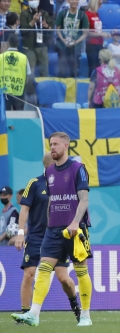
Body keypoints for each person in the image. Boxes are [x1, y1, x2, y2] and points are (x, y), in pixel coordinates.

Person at [12, 132, 93, 327]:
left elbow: (84, 199)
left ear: (66, 146)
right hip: (53, 230)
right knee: (43, 269)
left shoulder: (78, 168)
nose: (52, 148)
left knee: (81, 271)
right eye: (51, 144)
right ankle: (34, 313)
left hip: (76, 229)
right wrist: (50, 223)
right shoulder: (49, 172)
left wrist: (75, 222)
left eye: (56, 144)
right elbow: (51, 202)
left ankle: (85, 315)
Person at [14, 154, 80, 321]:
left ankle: (76, 308)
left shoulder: (66, 183)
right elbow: (24, 209)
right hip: (36, 238)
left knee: (64, 279)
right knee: (29, 274)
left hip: (58, 236)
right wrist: (21, 233)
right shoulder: (35, 183)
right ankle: (25, 314)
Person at [20, 0, 52, 80]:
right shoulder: (24, 14)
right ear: (28, 1)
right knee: (30, 73)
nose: (33, 1)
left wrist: (47, 26)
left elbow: (51, 29)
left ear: (39, 0)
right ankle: (29, 92)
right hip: (29, 46)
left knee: (44, 72)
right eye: (31, 0)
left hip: (42, 45)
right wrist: (33, 21)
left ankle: (44, 91)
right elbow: (23, 31)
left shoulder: (44, 13)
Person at [55, 0, 88, 78]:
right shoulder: (62, 13)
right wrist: (63, 40)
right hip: (63, 46)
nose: (74, 1)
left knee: (74, 72)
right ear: (68, 0)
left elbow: (85, 34)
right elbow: (58, 30)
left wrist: (76, 41)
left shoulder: (82, 15)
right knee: (62, 71)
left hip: (76, 47)